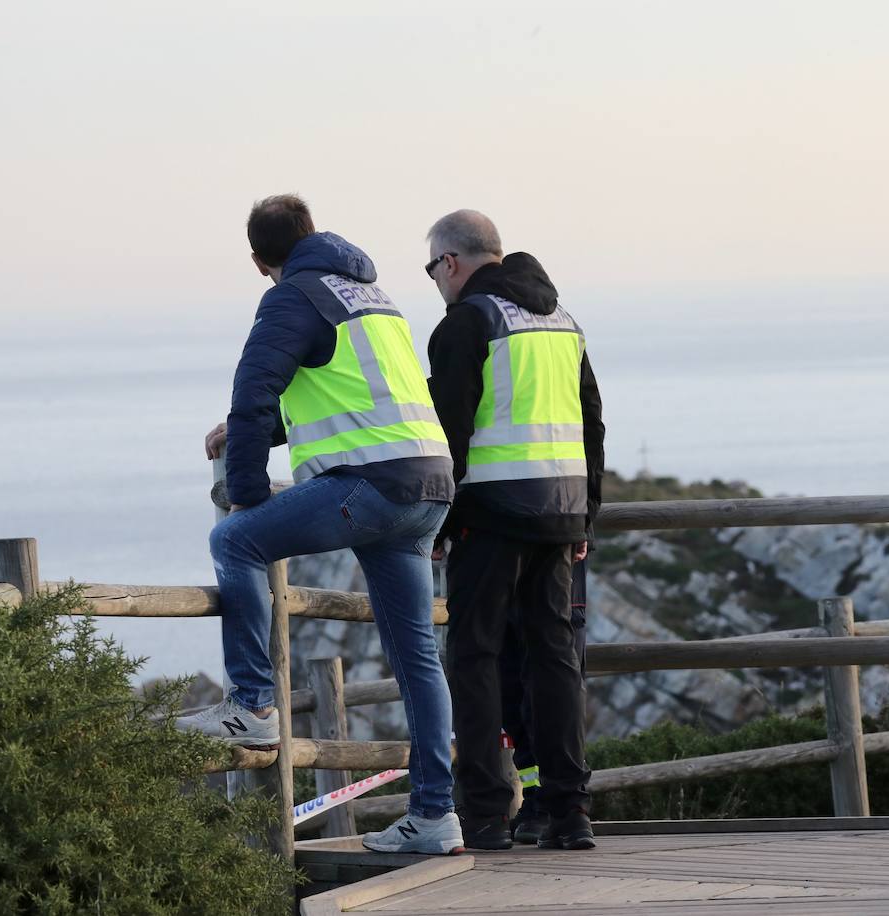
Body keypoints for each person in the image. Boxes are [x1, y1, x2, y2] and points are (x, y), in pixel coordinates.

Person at [179, 194, 463, 856]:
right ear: (312, 233)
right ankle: (434, 817)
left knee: (234, 541)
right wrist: (269, 434)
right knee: (418, 659)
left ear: (258, 260)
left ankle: (250, 707)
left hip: (371, 485)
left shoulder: (290, 298)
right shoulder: (373, 296)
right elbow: (345, 396)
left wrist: (246, 495)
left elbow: (252, 396)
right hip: (429, 485)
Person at [424, 209, 605, 851]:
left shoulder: (468, 322)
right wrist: (586, 516)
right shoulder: (562, 320)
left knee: (472, 659)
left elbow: (449, 433)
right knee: (554, 660)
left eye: (431, 268)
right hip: (559, 516)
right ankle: (568, 811)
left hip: (489, 518)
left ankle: (484, 815)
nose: (434, 282)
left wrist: (436, 524)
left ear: (451, 262)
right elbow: (592, 422)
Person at [500, 556, 588, 844]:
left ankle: (551, 805)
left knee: (537, 689)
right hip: (559, 541)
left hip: (533, 550)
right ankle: (558, 805)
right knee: (521, 688)